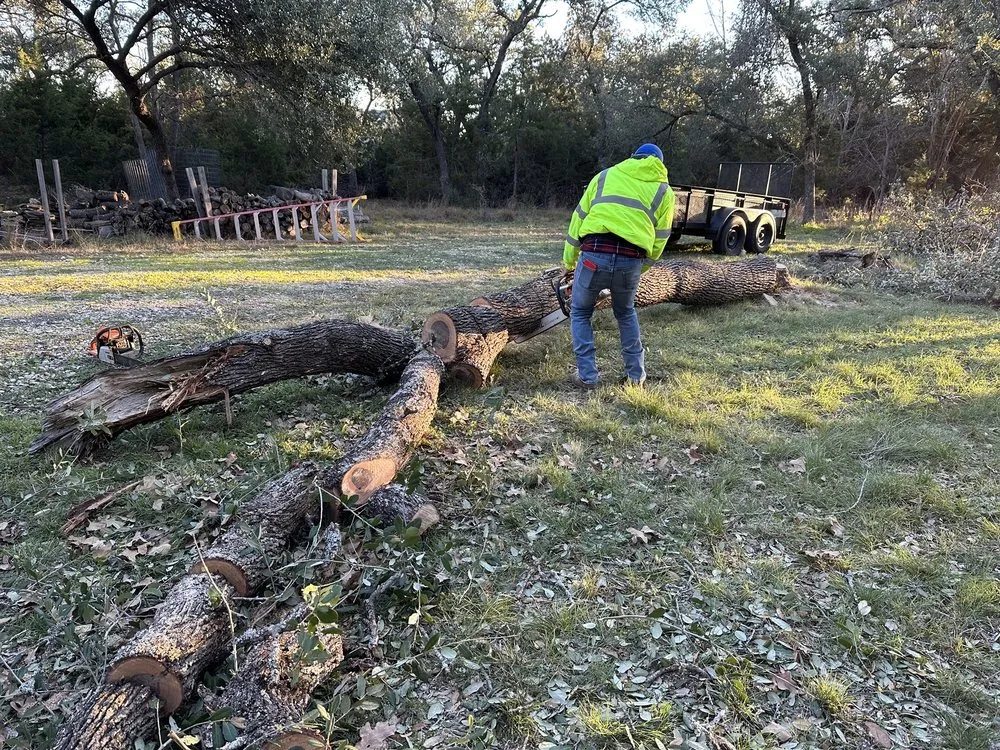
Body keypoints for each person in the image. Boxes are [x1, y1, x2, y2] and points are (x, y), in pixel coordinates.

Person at [563, 143, 676, 389]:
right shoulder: (664, 191)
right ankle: (636, 376)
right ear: (660, 163)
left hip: (593, 255)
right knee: (625, 313)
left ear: (633, 157)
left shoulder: (604, 176)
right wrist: (641, 267)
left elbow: (578, 218)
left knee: (580, 312)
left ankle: (588, 377)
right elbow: (661, 237)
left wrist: (569, 261)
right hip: (630, 259)